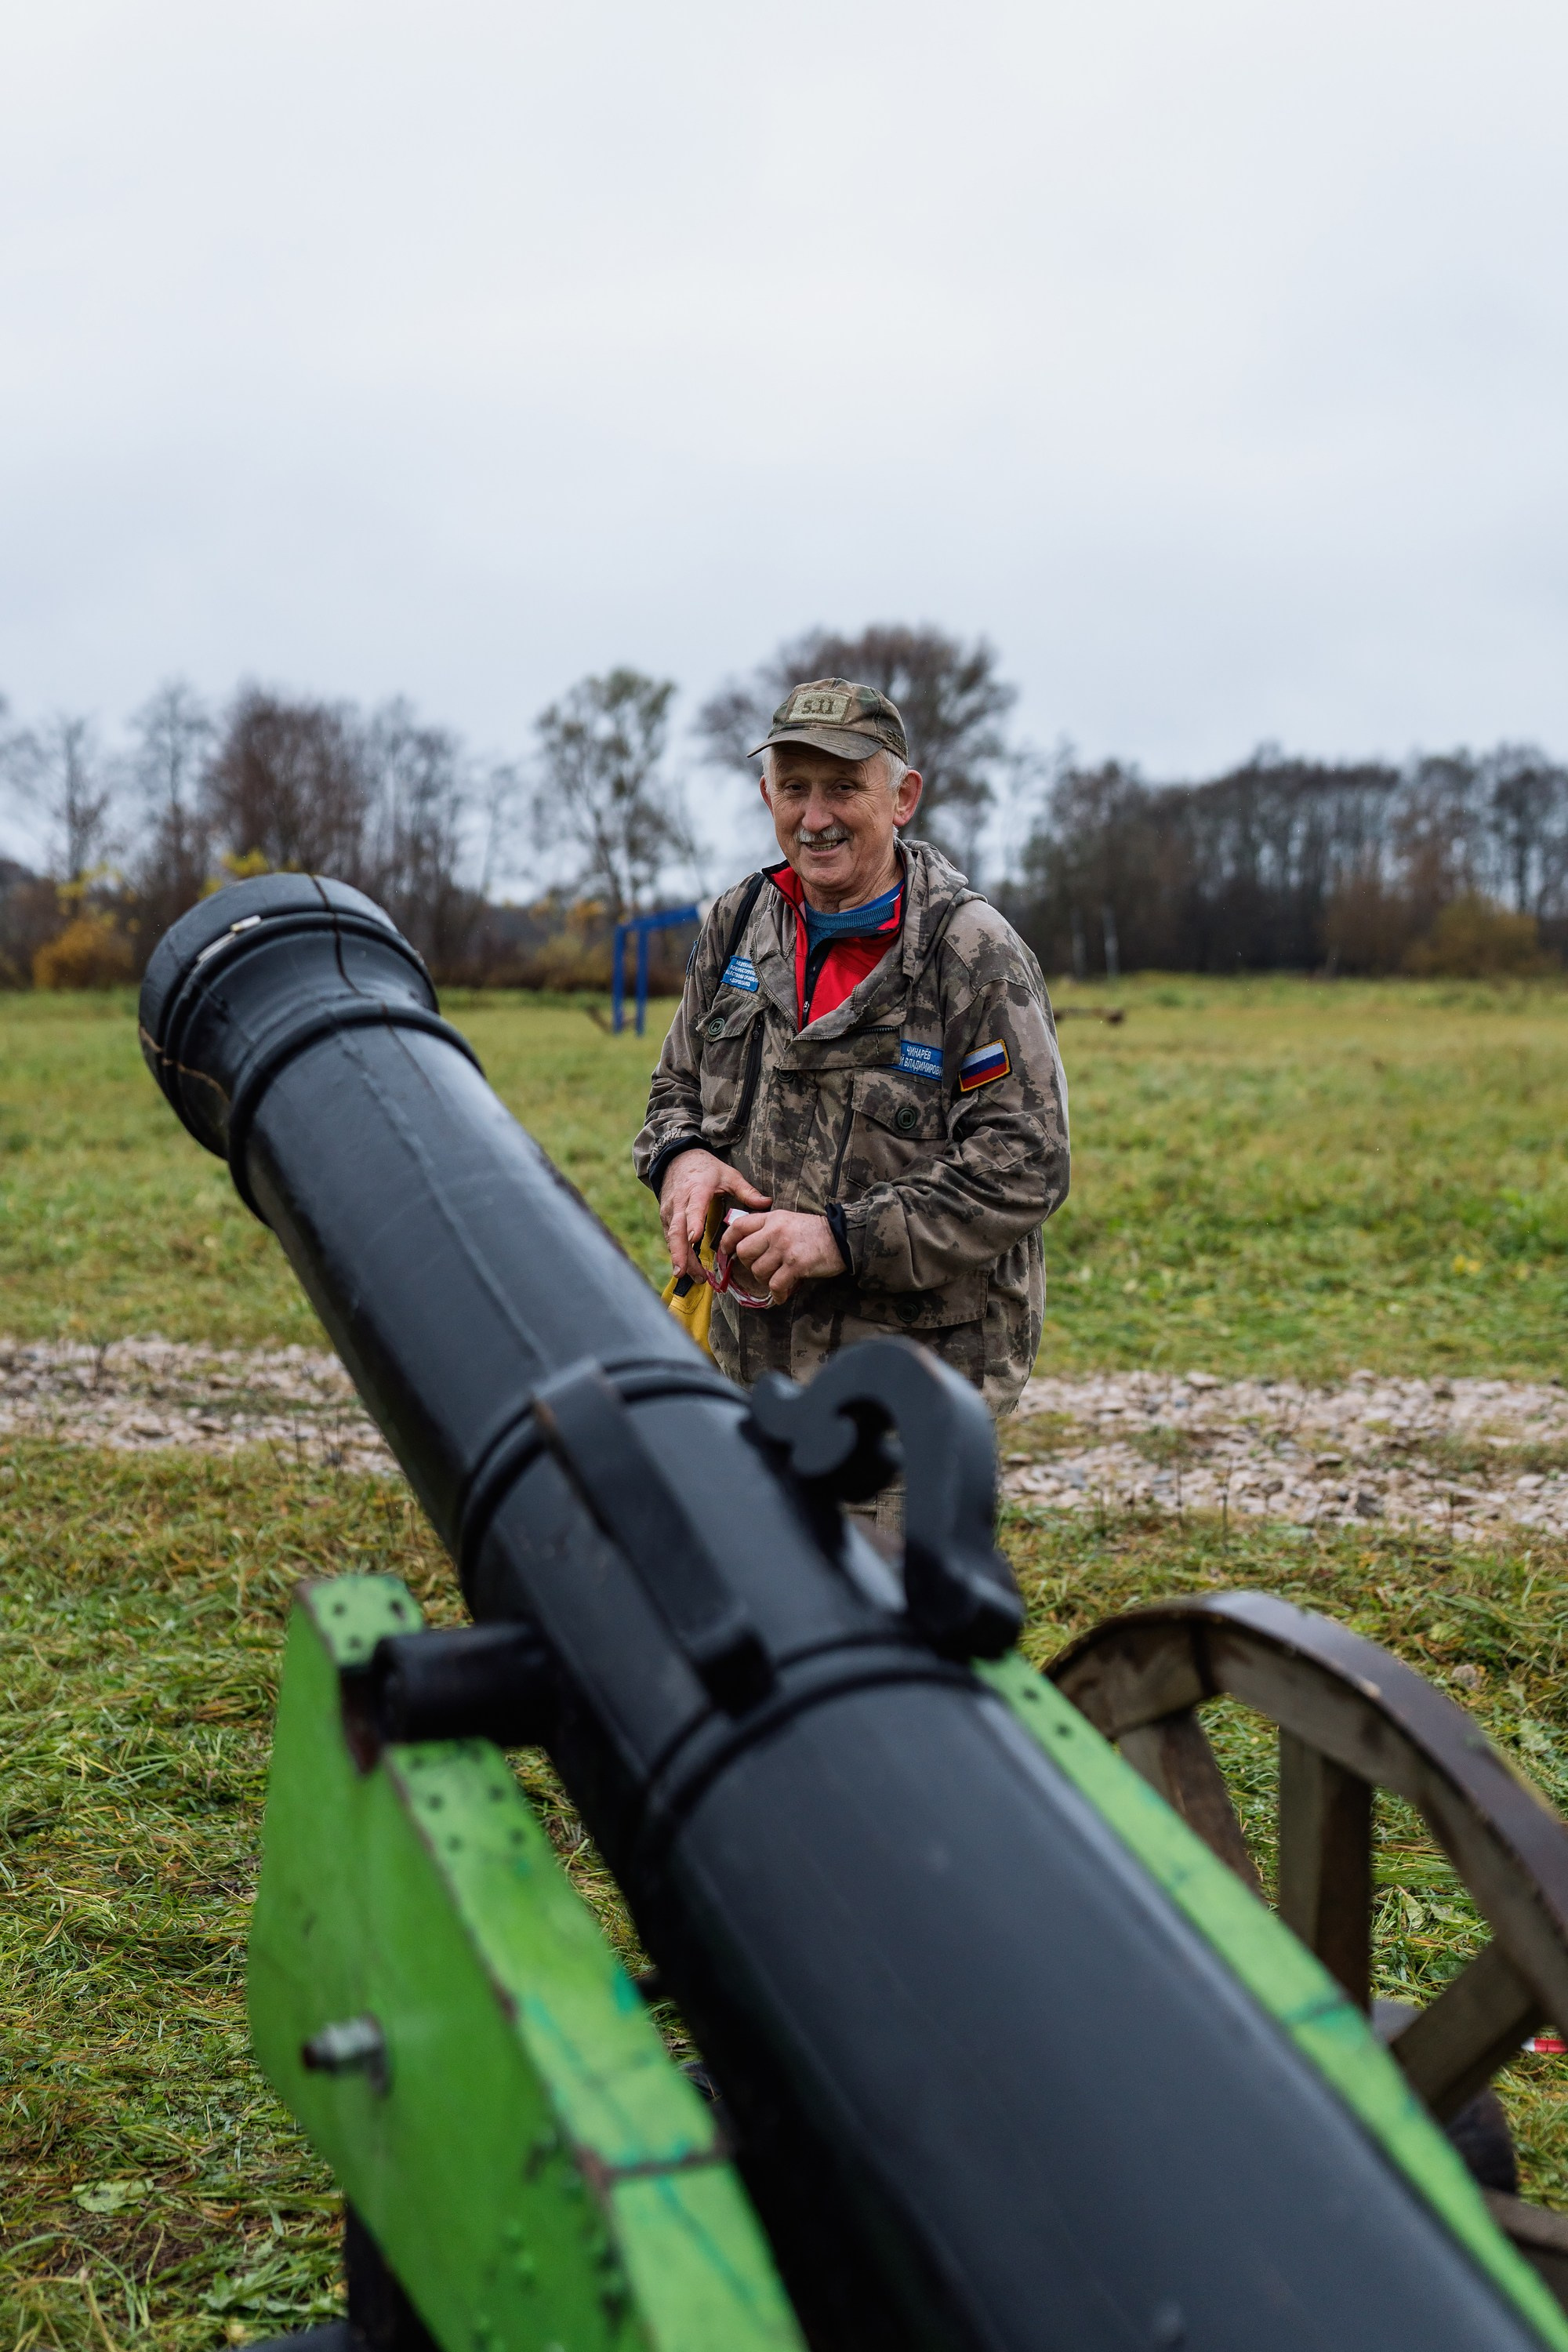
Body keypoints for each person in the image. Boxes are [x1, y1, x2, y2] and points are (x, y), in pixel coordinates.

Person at [633, 674, 1070, 1427]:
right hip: (745, 1371)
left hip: (910, 1393)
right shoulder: (738, 922)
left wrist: (840, 1239)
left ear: (903, 798)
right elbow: (676, 1086)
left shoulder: (973, 954)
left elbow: (1027, 1164)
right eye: (793, 787)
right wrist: (682, 1159)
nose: (815, 817)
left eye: (843, 787)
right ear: (766, 795)